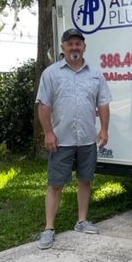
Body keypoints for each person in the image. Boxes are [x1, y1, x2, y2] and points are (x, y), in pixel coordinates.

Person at [36, 28, 111, 250]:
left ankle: (81, 221)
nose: (74, 47)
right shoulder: (51, 74)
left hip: (87, 138)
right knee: (56, 184)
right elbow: (44, 106)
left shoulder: (95, 74)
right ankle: (49, 228)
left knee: (85, 180)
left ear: (84, 47)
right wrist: (48, 133)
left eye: (78, 43)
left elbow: (103, 104)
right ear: (63, 47)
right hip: (62, 139)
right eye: (70, 44)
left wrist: (104, 130)